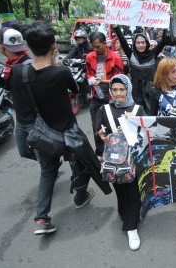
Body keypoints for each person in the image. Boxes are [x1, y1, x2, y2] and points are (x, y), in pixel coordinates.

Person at [22, 22, 111, 235]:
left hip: (42, 132)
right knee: (81, 164)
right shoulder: (60, 72)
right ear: (53, 46)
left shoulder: (22, 73)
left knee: (47, 172)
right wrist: (57, 63)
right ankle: (81, 196)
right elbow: (77, 88)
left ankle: (41, 218)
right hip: (67, 130)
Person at [95, 74, 146, 251]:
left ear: (128, 89)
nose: (118, 93)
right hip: (115, 162)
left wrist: (133, 121)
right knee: (121, 190)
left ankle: (131, 228)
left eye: (122, 89)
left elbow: (147, 133)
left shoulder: (138, 109)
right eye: (115, 89)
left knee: (133, 192)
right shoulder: (105, 109)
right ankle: (125, 212)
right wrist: (101, 136)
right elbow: (98, 132)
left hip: (134, 160)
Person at [0, 27, 35, 160]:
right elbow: (8, 86)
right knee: (24, 152)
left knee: (42, 156)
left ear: (2, 48)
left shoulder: (26, 66)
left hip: (34, 120)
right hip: (21, 119)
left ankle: (50, 166)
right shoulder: (12, 66)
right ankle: (51, 163)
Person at [112, 19, 170, 109]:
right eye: (138, 43)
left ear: (146, 43)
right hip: (136, 93)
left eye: (143, 42)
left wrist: (167, 20)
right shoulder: (131, 55)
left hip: (152, 91)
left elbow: (163, 41)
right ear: (134, 44)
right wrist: (115, 27)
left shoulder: (153, 54)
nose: (140, 45)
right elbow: (122, 40)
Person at [86, 31, 124, 158]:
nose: (95, 49)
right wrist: (91, 79)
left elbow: (119, 79)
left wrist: (103, 81)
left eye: (98, 46)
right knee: (96, 128)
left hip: (111, 99)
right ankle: (100, 153)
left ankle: (115, 151)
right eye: (93, 47)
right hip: (96, 97)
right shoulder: (90, 57)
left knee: (112, 126)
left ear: (104, 43)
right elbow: (89, 73)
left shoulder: (115, 58)